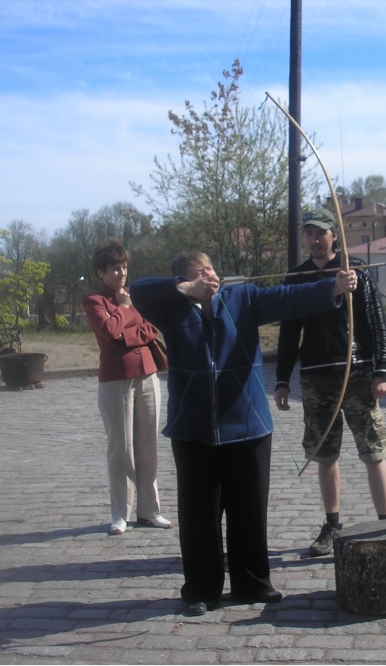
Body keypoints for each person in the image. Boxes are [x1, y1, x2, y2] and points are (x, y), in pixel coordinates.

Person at [130, 251, 358, 617]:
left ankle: (253, 582)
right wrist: (185, 289)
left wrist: (333, 286)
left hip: (249, 425)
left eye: (211, 269)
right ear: (184, 282)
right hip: (193, 430)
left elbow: (287, 299)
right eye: (198, 273)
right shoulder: (171, 308)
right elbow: (138, 291)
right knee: (199, 514)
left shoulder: (242, 297)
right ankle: (200, 590)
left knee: (249, 509)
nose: (209, 276)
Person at [274, 208, 386, 557]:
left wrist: (381, 370)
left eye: (320, 233)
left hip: (355, 375)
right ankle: (332, 524)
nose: (313, 240)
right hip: (315, 377)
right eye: (308, 234)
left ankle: (385, 524)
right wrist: (281, 379)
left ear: (334, 235)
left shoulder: (356, 271)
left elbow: (376, 322)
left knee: (374, 451)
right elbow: (289, 331)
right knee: (325, 455)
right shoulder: (296, 277)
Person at [83, 238, 173, 536]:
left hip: (147, 374)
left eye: (123, 268)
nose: (121, 274)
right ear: (100, 272)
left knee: (148, 445)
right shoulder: (96, 302)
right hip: (116, 379)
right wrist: (123, 310)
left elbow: (151, 328)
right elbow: (108, 331)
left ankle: (150, 510)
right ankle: (120, 512)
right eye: (114, 269)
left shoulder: (137, 296)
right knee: (121, 449)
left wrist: (126, 333)